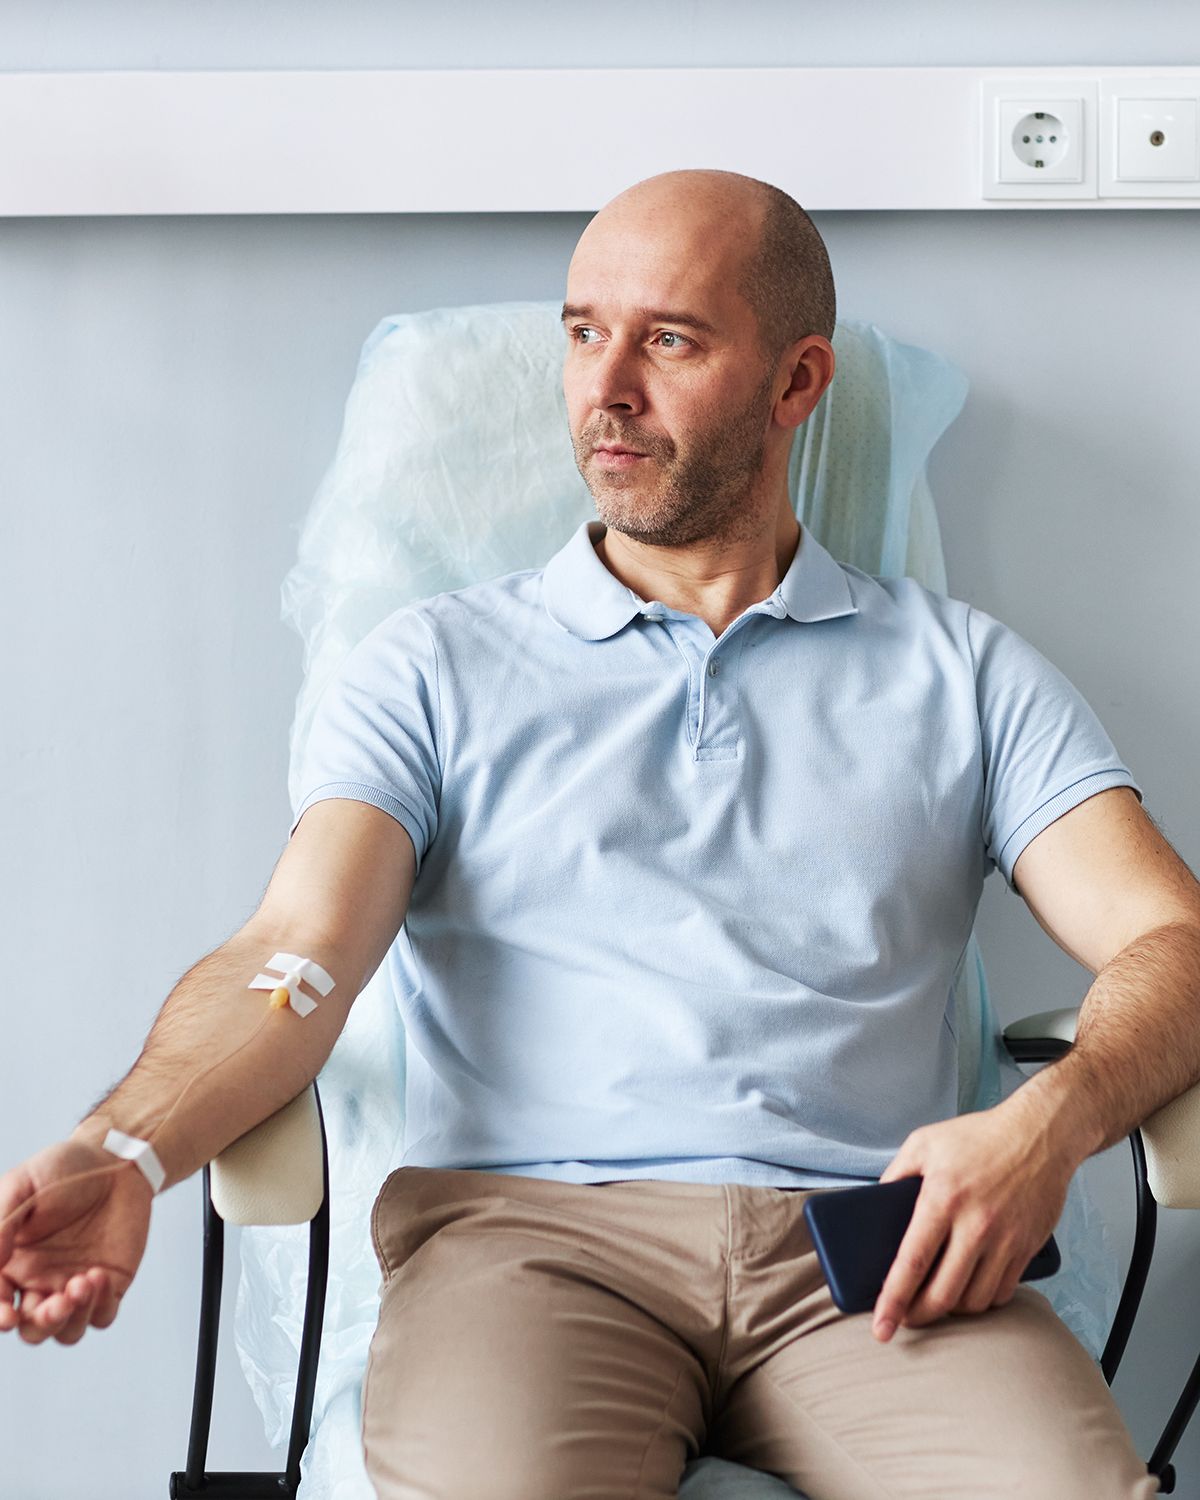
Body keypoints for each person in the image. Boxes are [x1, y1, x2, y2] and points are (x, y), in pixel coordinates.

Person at [2, 170, 1197, 1498]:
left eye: (668, 340)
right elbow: (295, 954)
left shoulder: (963, 675)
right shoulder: (435, 668)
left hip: (873, 1255)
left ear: (798, 381)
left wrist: (1049, 1124)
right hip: (532, 1251)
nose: (605, 390)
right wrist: (125, 1151)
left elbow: (1174, 941)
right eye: (583, 333)